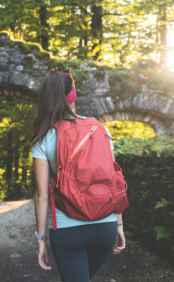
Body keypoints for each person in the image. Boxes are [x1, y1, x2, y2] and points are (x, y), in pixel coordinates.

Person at [31, 69, 126, 282]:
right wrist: (118, 224)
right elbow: (115, 180)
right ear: (73, 94)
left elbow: (41, 195)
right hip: (105, 225)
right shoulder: (100, 128)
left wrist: (40, 239)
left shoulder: (44, 137)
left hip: (68, 230)